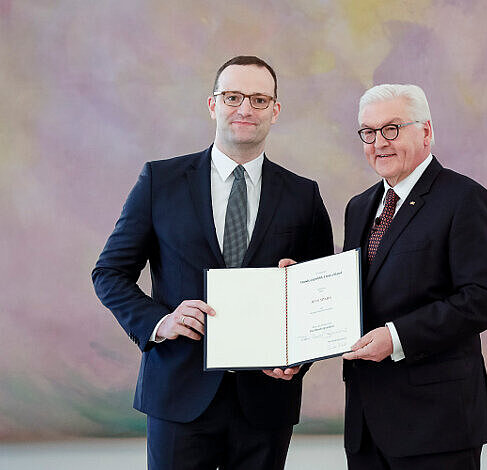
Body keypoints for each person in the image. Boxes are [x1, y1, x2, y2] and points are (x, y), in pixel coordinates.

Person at [92, 55, 333, 470]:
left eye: (259, 100)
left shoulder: (303, 195)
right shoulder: (160, 182)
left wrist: (300, 355)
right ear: (212, 104)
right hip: (178, 391)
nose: (245, 109)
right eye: (233, 96)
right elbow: (109, 273)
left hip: (266, 399)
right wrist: (159, 322)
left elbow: (323, 294)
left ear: (275, 111)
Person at [341, 84, 487, 470]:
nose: (378, 142)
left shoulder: (464, 199)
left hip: (437, 423)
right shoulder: (359, 207)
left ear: (426, 131)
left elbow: (484, 297)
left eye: (392, 128)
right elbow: (355, 295)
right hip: (366, 424)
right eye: (368, 132)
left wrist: (396, 337)